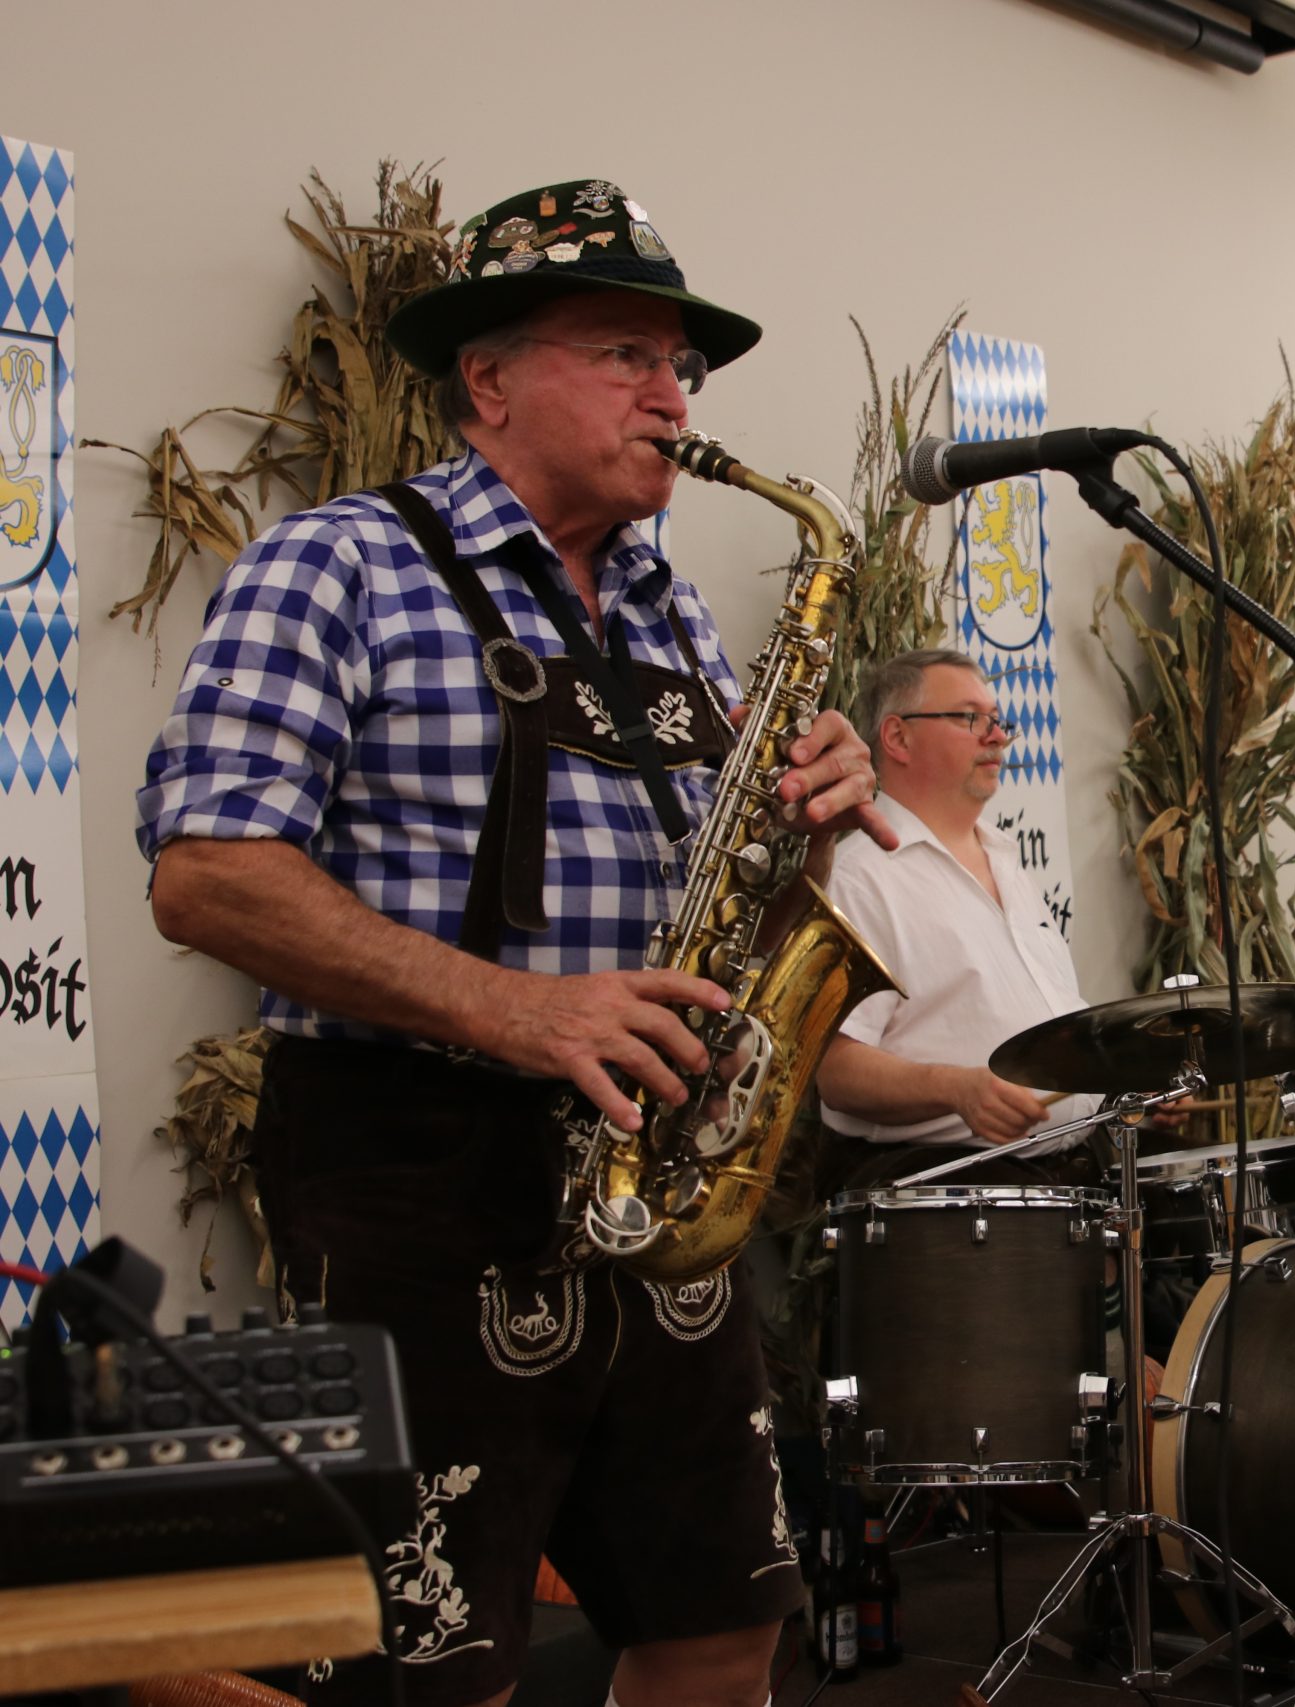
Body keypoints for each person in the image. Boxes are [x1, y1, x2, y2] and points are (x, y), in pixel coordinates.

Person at [135, 179, 893, 1707]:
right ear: (488, 379)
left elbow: (728, 887)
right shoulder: (338, 563)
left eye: (683, 364)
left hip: (654, 1173)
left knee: (721, 1624)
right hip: (420, 1168)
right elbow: (210, 873)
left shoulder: (678, 615)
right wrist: (520, 1011)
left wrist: (814, 808)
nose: (672, 394)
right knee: (441, 1666)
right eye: (625, 353)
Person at [811, 647, 1098, 1181]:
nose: (997, 736)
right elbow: (834, 1070)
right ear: (897, 738)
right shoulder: (860, 876)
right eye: (971, 719)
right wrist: (955, 1088)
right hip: (949, 1199)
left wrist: (1117, 1084)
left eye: (997, 721)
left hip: (1072, 1178)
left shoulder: (1008, 861)